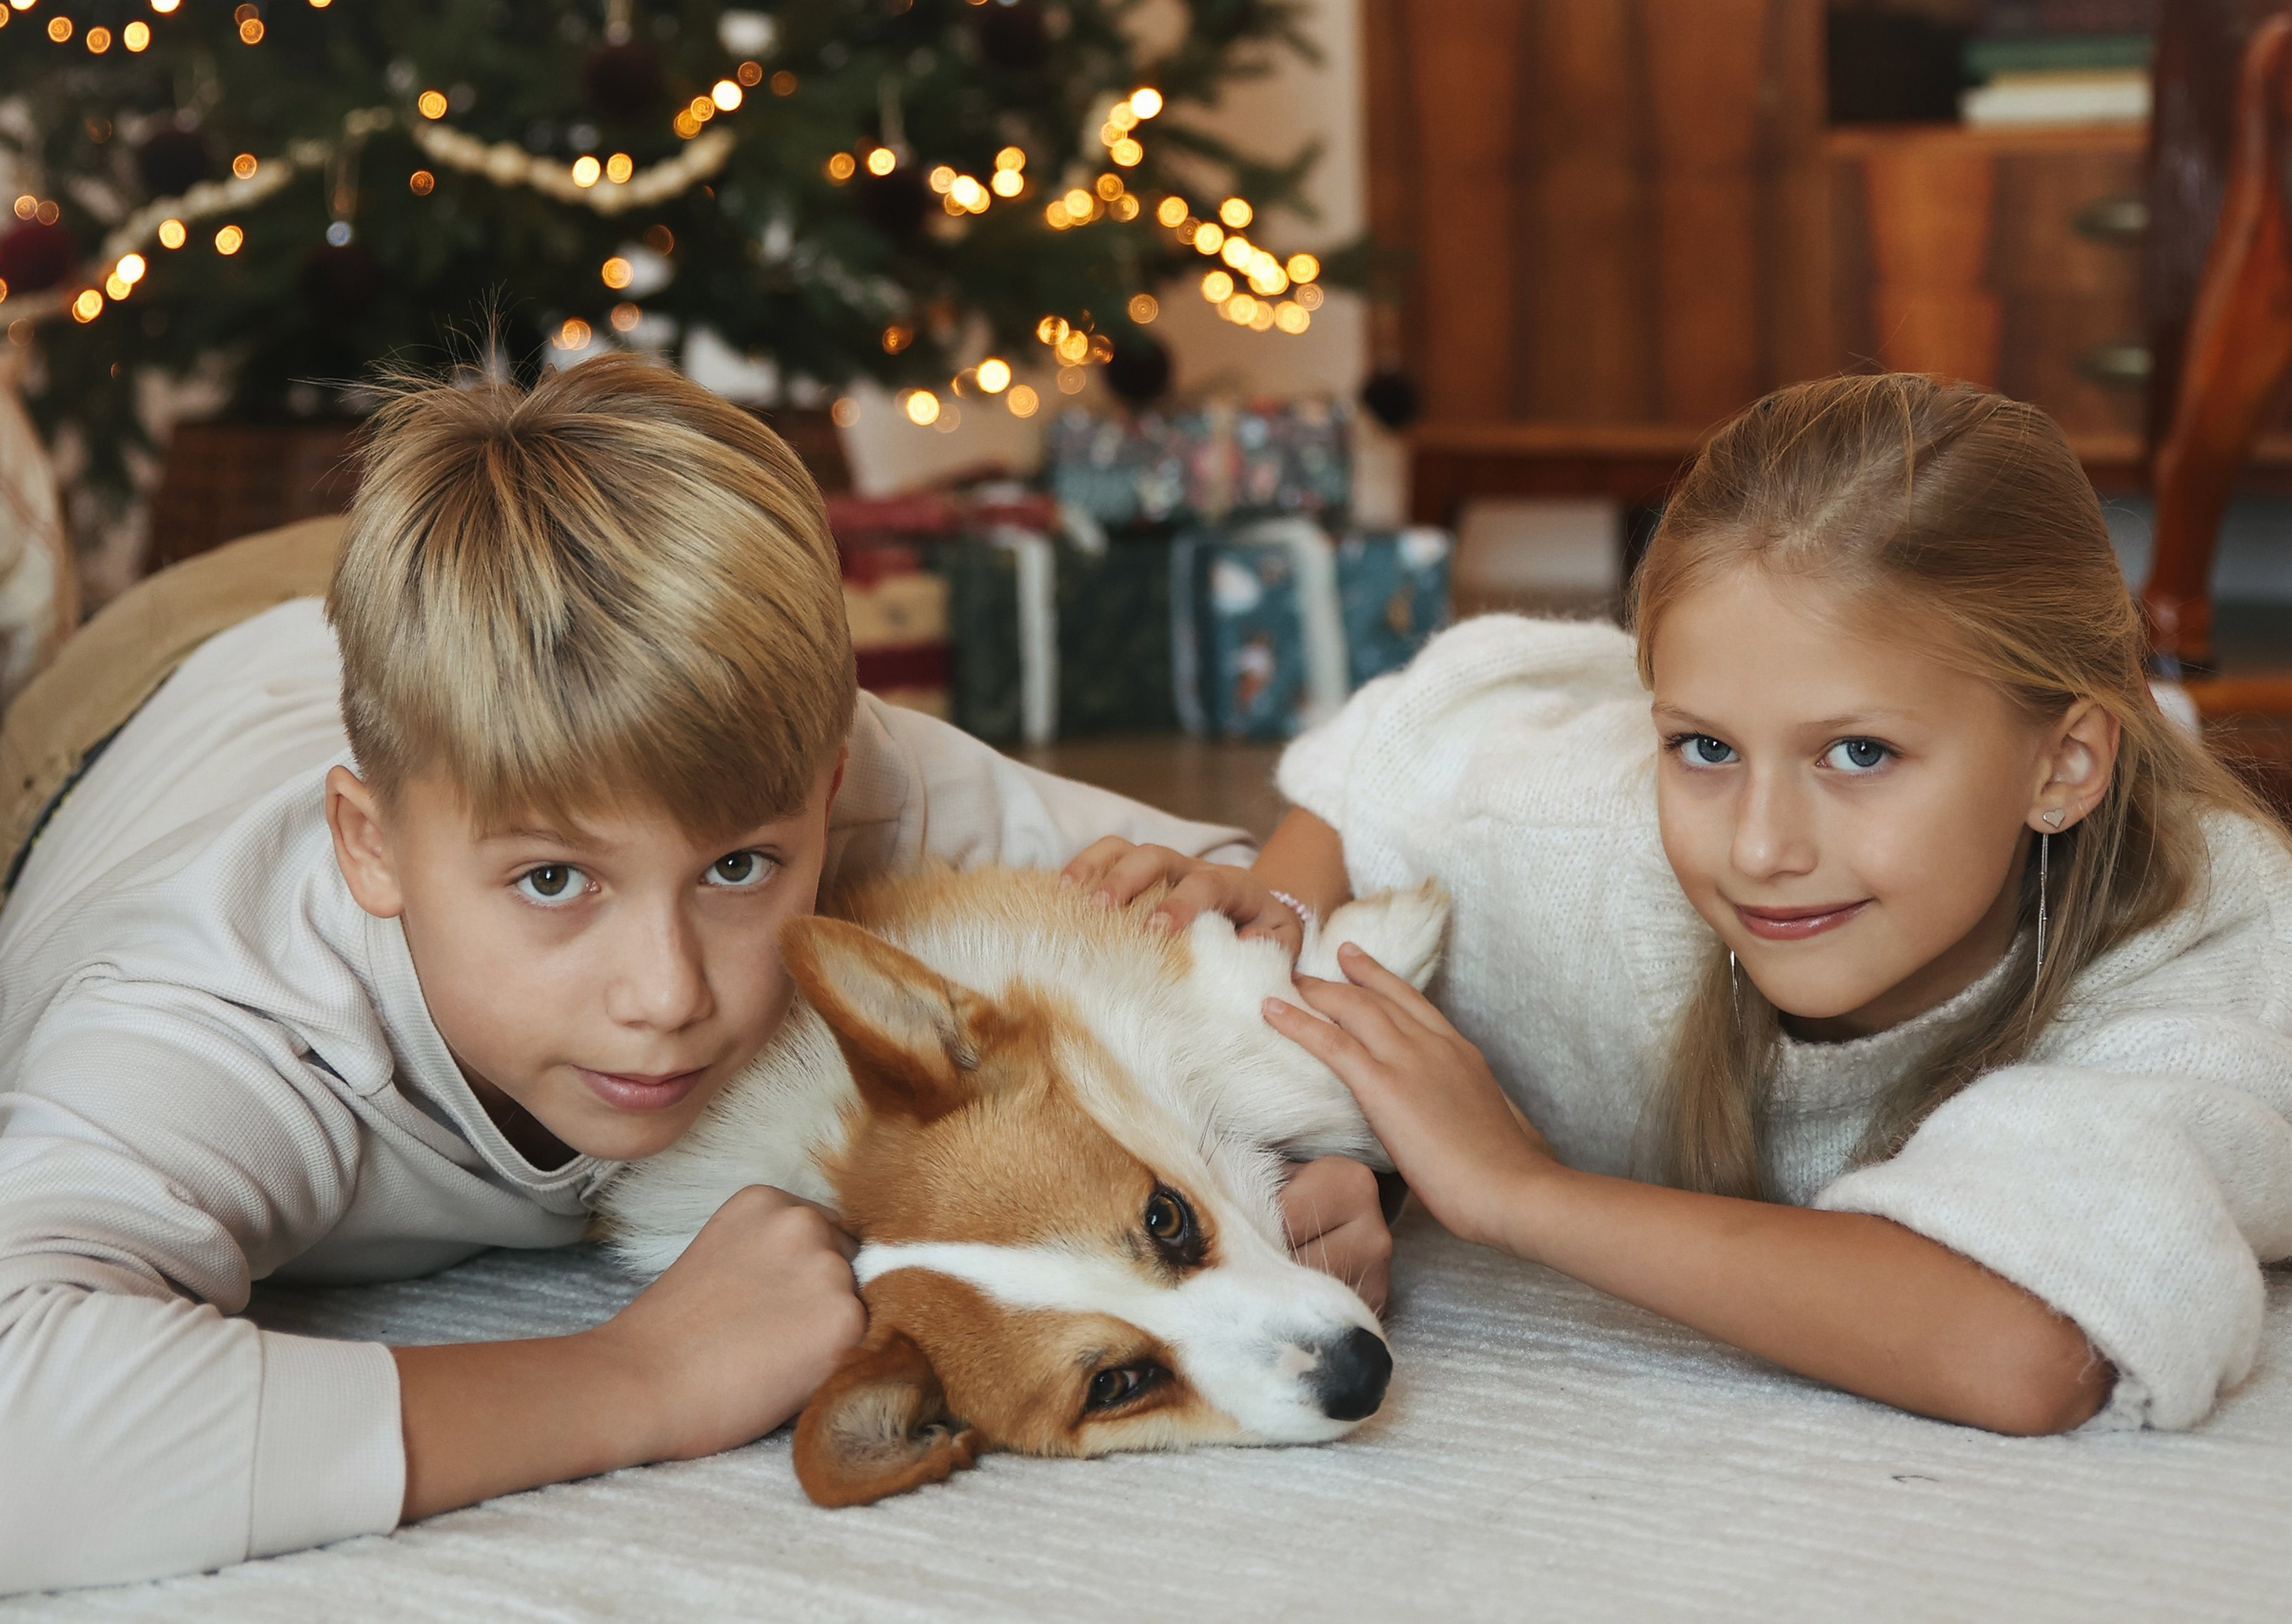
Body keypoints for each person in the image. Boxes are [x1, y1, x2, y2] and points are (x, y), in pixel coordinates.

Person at [0, 356, 1389, 1595]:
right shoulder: (219, 1012)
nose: (666, 995)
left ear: (825, 791)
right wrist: (636, 1374)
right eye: (553, 882)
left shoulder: (836, 773)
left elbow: (1262, 879)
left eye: (736, 868)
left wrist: (1275, 1151)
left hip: (483, 638)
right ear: (371, 848)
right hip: (146, 682)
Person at [1070, 372, 2292, 1438]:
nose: (1763, 848)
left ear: (2062, 765)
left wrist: (1514, 1190)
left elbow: (2029, 1347)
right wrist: (1276, 923)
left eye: (1860, 754)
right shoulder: (1587, 832)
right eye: (1704, 746)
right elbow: (1406, 749)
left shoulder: (2186, 942)